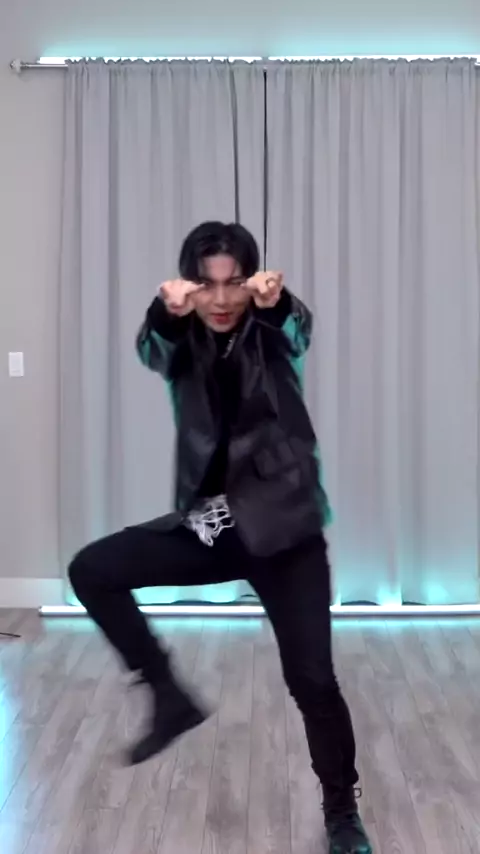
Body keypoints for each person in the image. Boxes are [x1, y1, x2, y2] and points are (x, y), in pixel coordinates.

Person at [69, 221, 373, 854]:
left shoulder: (270, 331)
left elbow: (298, 332)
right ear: (188, 287)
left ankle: (342, 811)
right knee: (92, 569)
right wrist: (164, 313)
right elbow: (152, 349)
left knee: (314, 682)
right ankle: (166, 693)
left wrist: (278, 305)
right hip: (211, 529)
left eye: (234, 283)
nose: (222, 299)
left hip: (285, 534)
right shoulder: (182, 340)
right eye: (207, 286)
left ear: (252, 283)